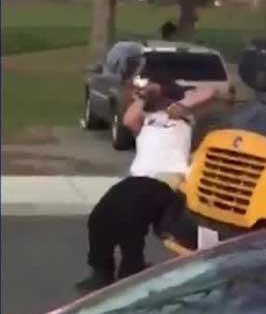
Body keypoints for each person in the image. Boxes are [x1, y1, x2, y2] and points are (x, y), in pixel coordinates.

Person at [75, 77, 214, 293]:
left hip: (167, 177)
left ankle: (131, 269)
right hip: (138, 176)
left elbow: (209, 92)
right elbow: (128, 120)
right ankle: (102, 271)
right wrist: (143, 95)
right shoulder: (145, 121)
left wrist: (174, 99)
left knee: (132, 214)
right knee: (100, 216)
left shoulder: (186, 119)